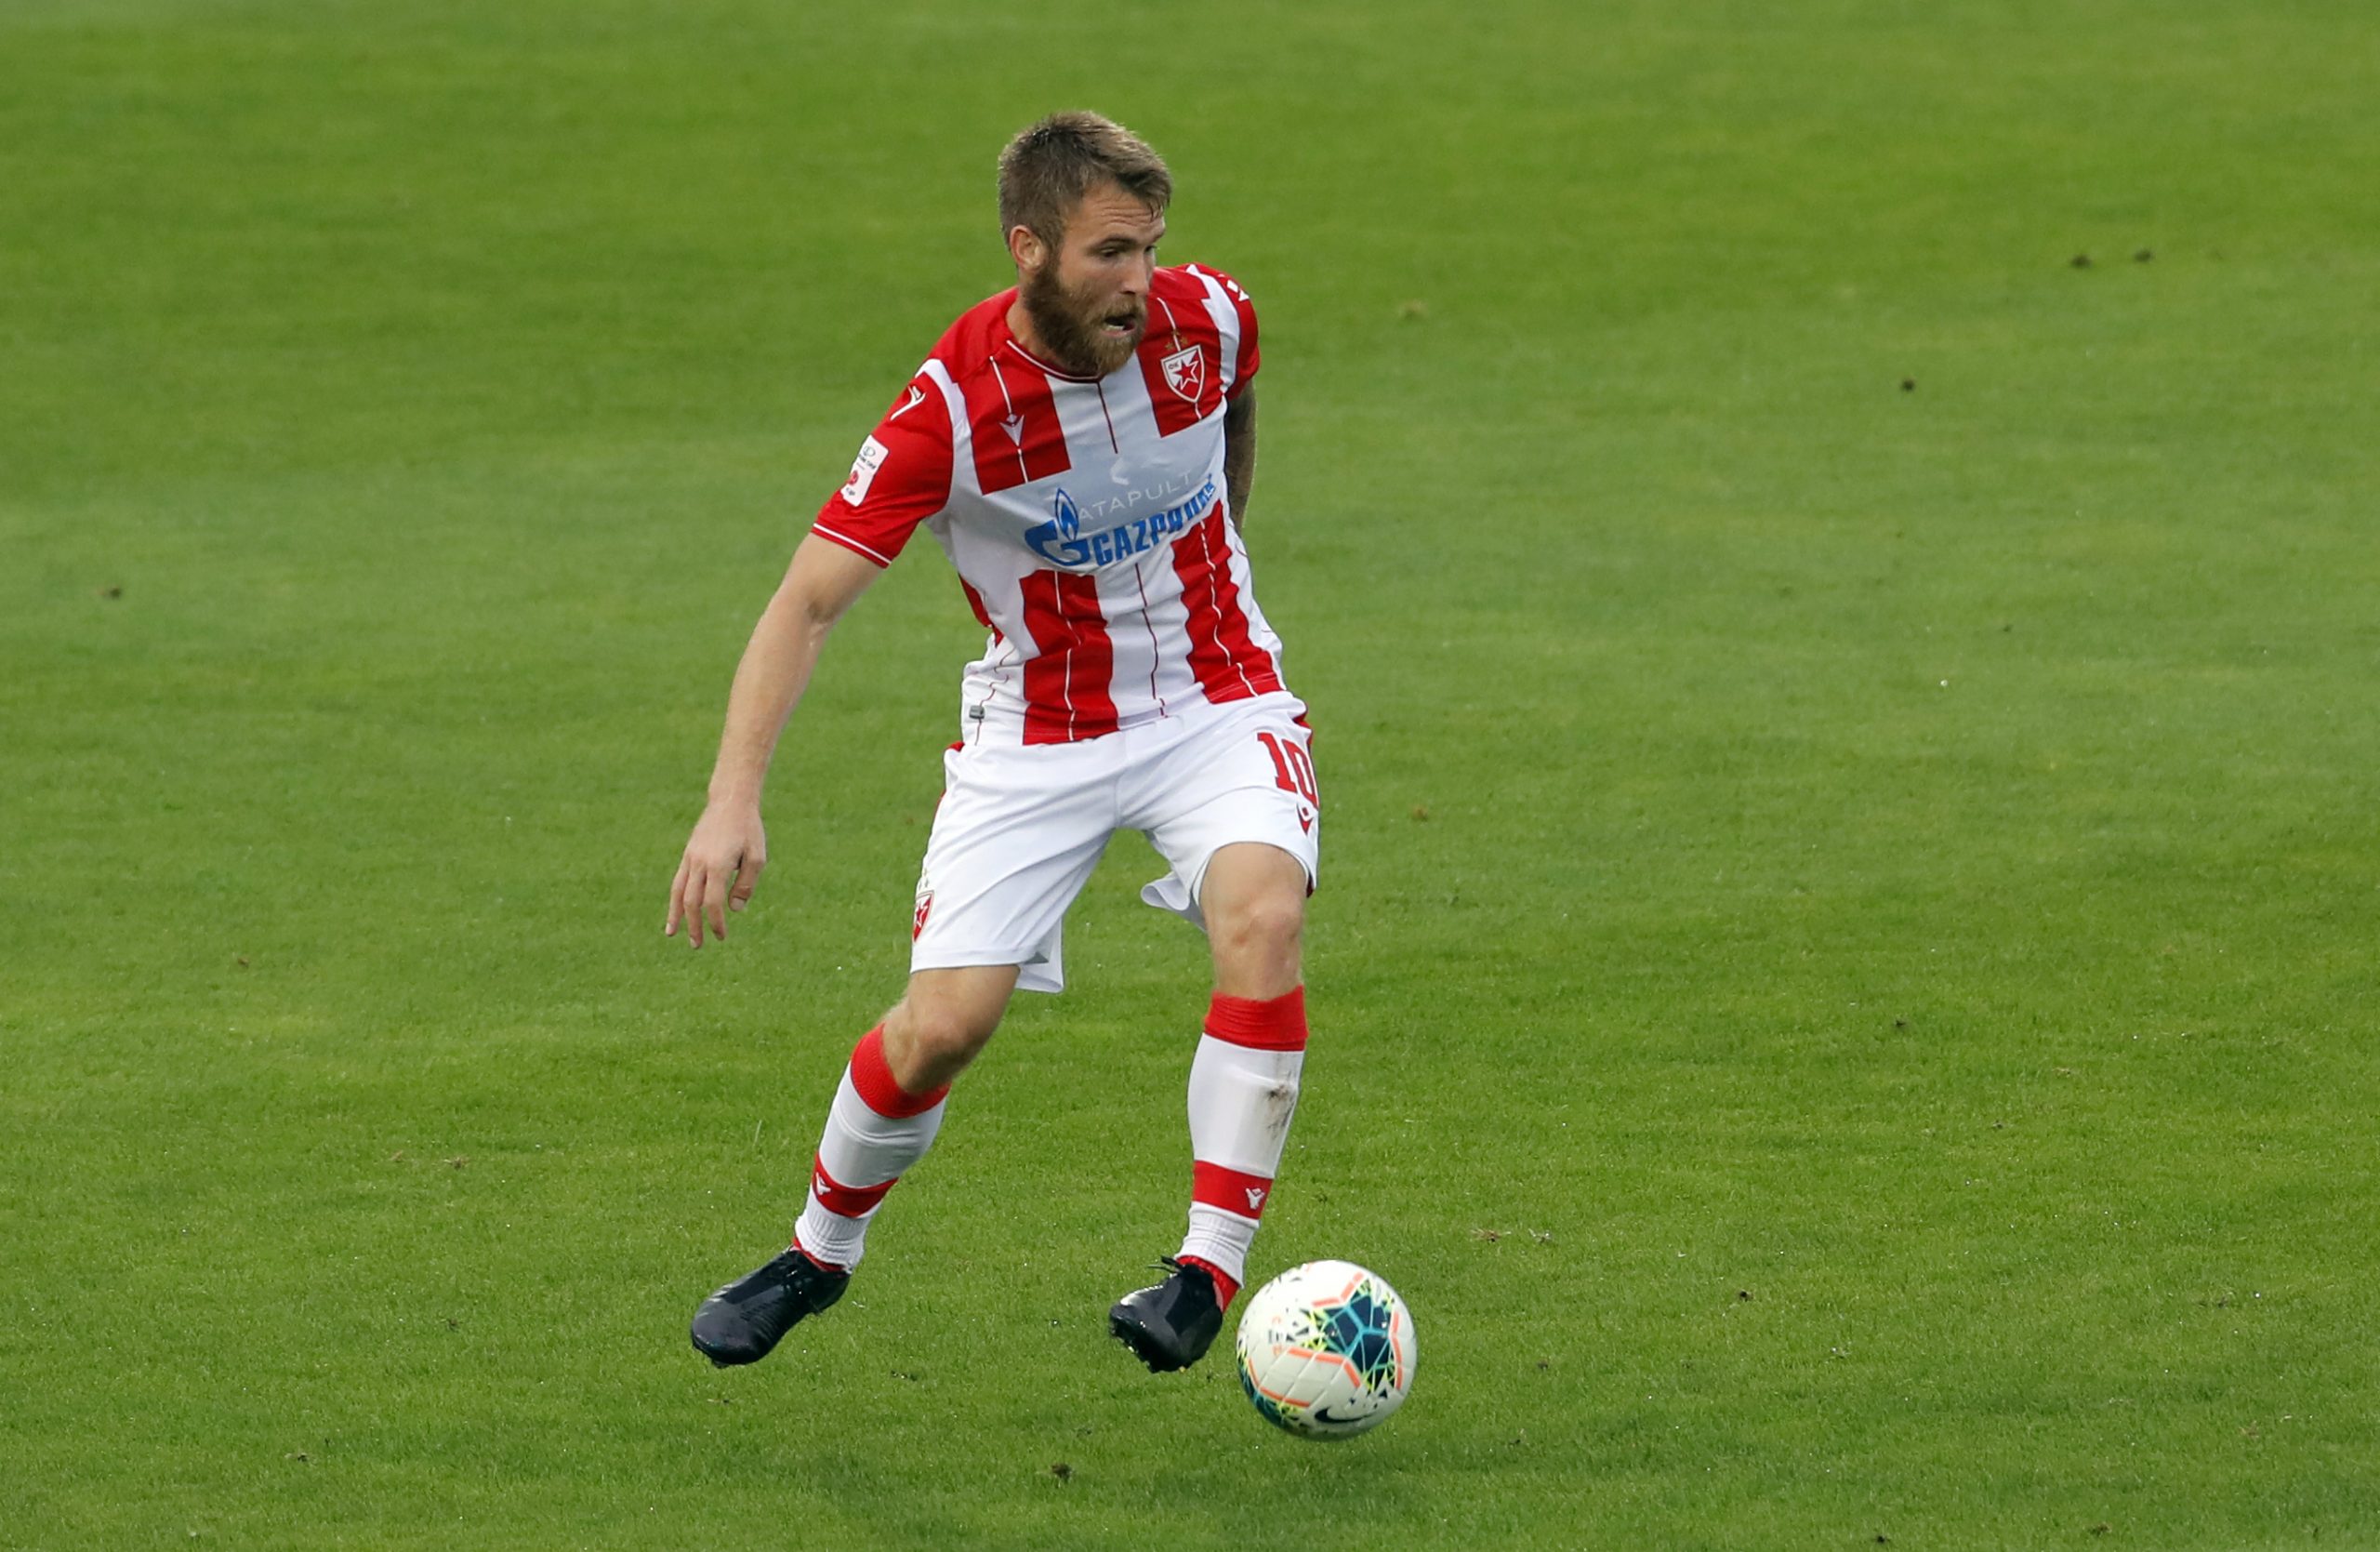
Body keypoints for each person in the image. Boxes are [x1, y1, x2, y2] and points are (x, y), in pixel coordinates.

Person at [666, 112, 1319, 1375]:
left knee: (1261, 916)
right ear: (1028, 249)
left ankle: (1205, 1270)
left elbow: (1236, 400)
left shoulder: (1213, 318)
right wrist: (729, 800)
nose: (1141, 281)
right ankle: (816, 1249)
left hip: (1218, 698)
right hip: (1039, 735)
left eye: (1151, 247)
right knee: (943, 1026)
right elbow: (803, 602)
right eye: (1108, 252)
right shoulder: (951, 412)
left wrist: (1228, 534)